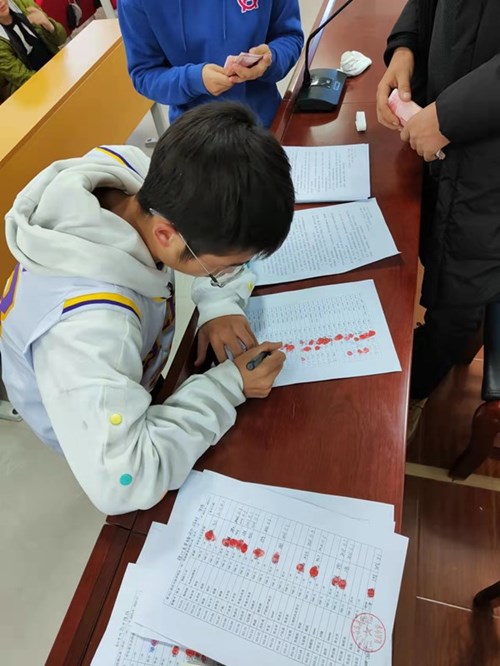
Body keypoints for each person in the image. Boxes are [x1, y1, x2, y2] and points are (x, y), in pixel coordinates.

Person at [0, 102, 294, 514]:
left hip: (125, 371)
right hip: (81, 412)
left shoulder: (138, 176)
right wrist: (227, 387)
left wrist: (219, 303)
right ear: (166, 235)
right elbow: (125, 481)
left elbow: (209, 243)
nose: (229, 274)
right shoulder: (92, 332)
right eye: (223, 267)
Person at [376, 0, 500, 439]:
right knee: (425, 245)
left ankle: (418, 388)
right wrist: (405, 48)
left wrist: (451, 115)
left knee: (457, 305)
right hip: (438, 137)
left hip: (487, 169)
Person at [117, 0, 303, 128]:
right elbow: (144, 73)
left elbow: (289, 36)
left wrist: (271, 59)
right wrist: (194, 80)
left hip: (265, 124)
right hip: (195, 138)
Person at [0, 0, 66, 100]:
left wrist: (48, 24)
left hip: (55, 68)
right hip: (30, 94)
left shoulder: (23, 4)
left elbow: (61, 39)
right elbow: (24, 78)